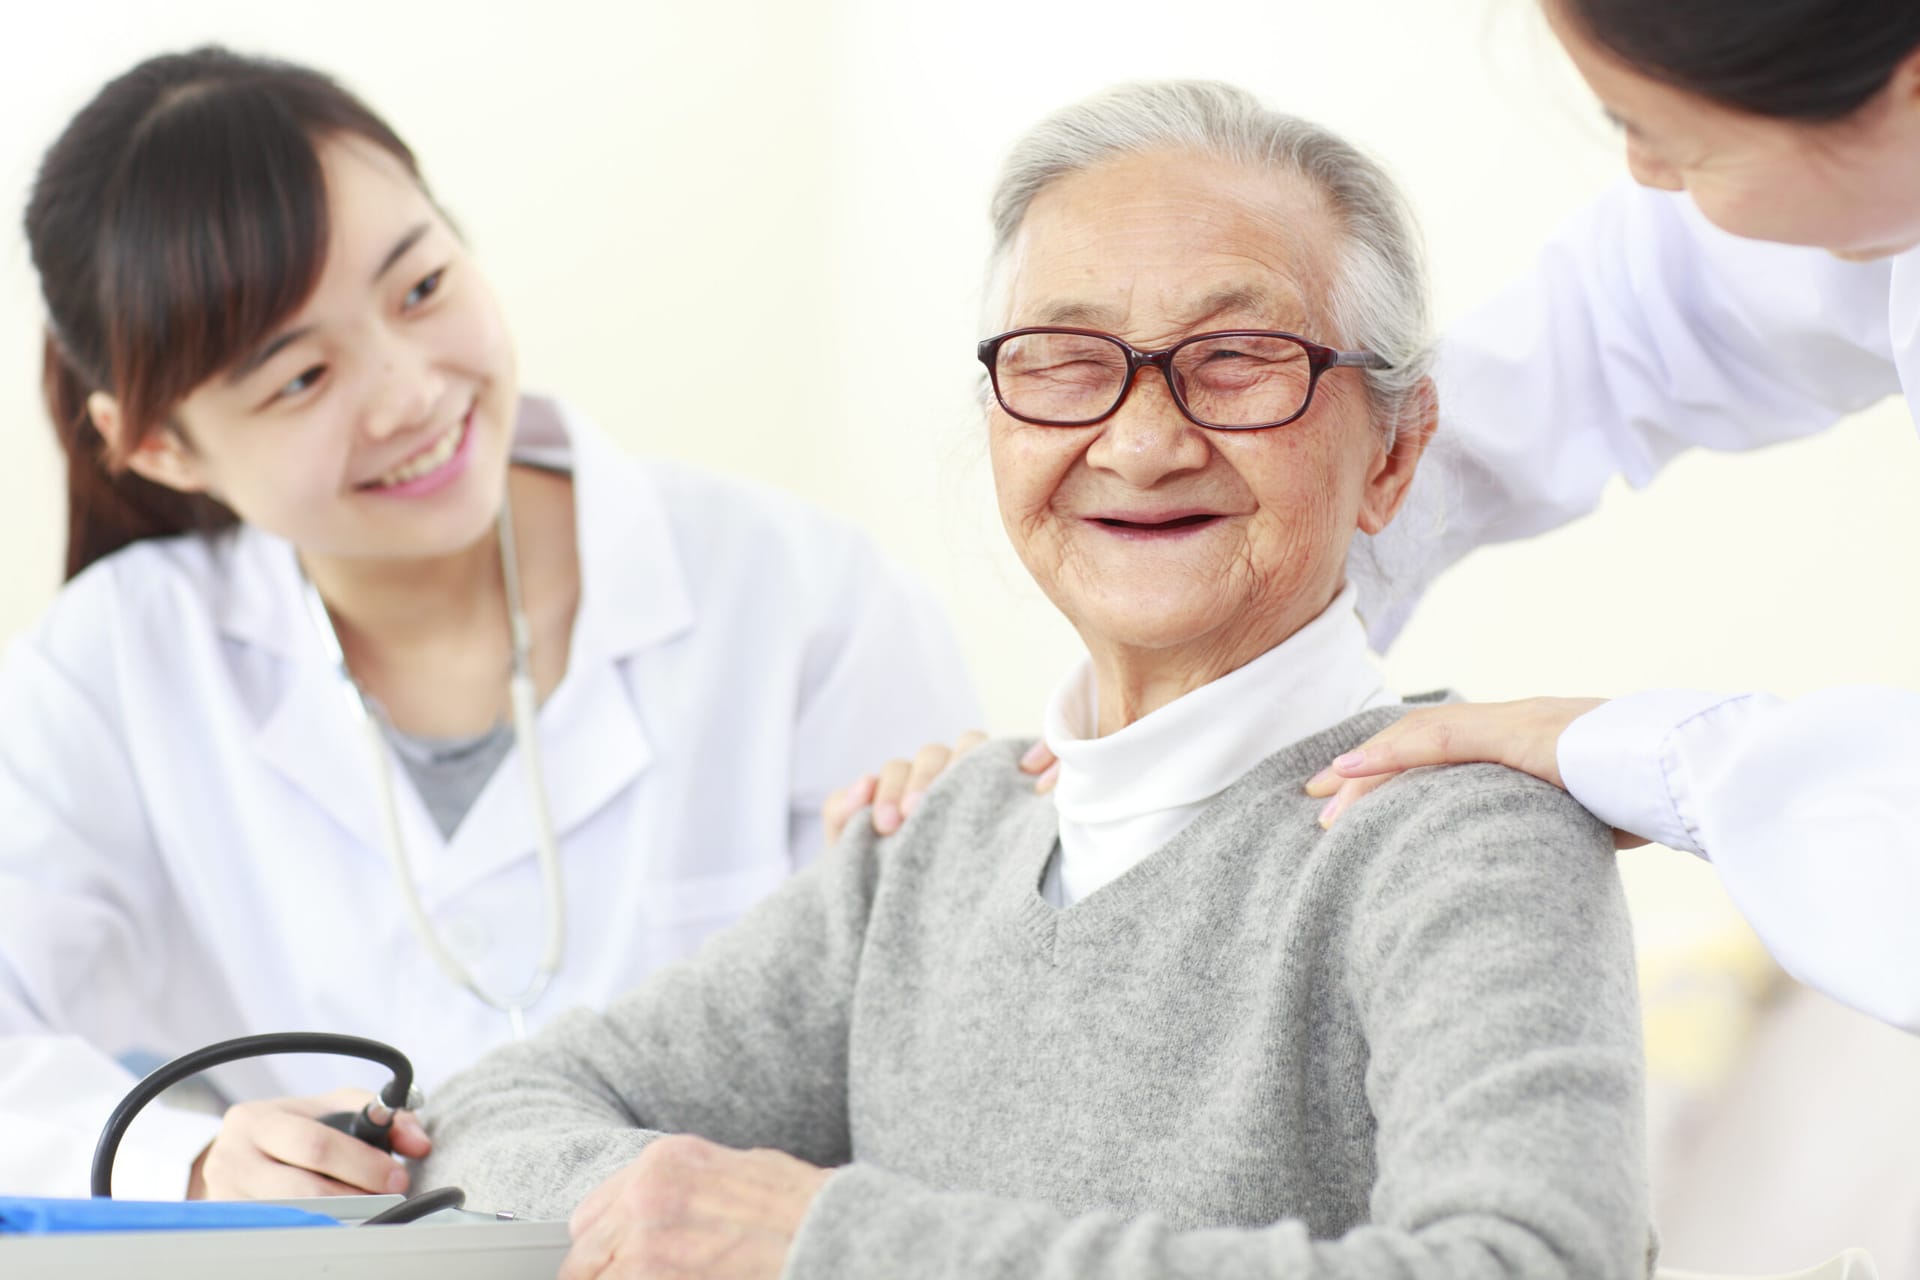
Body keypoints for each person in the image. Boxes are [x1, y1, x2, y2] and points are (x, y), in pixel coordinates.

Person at [420, 82, 1651, 1280]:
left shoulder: (1462, 836)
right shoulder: (935, 838)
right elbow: (497, 1111)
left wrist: (829, 1242)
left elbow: (1532, 1261)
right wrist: (691, 1212)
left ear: (1394, 450)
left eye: (1236, 358)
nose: (1140, 440)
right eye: (1065, 361)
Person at [0, 47, 979, 1202]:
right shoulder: (114, 662)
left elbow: (939, 1048)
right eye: (301, 377)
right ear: (158, 444)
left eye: (420, 289)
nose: (410, 391)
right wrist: (199, 1158)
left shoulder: (804, 599)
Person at [859, 0, 1920, 1036]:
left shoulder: (1477, 852)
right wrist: (1134, 752)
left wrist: (1654, 757)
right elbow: (1588, 350)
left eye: (1666, 135)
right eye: (1070, 359)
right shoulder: (906, 857)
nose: (1646, 176)